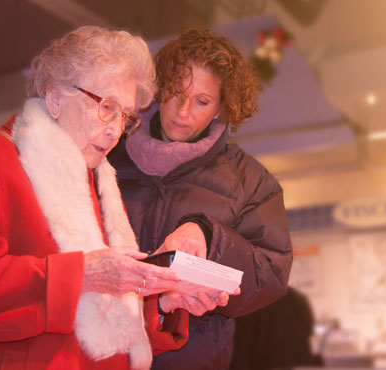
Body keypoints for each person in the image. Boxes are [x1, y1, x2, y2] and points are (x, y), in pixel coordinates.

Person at [0, 26, 233, 370]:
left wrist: (164, 303)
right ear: (54, 99)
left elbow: (100, 329)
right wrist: (80, 275)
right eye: (106, 107)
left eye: (125, 117)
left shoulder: (99, 184)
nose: (115, 130)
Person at [108, 28, 293, 369]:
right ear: (159, 90)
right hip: (103, 353)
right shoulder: (106, 158)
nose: (182, 111)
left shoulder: (251, 182)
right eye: (176, 93)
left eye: (202, 101)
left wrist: (210, 238)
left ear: (223, 108)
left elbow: (271, 275)